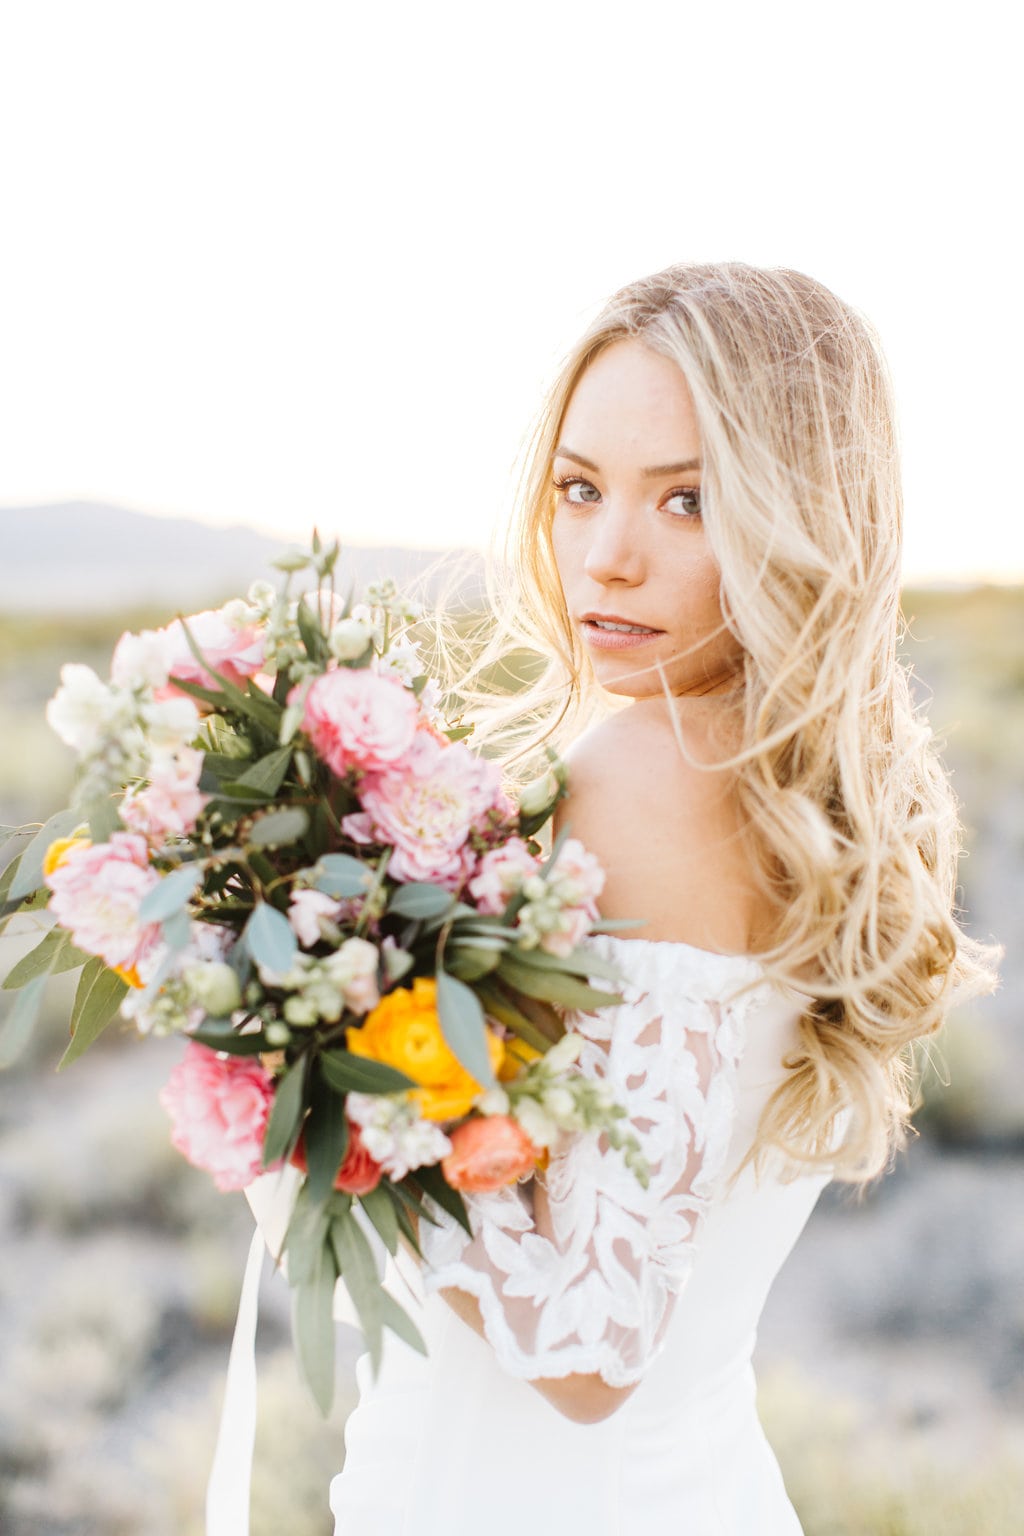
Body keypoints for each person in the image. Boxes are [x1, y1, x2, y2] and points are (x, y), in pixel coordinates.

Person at [299, 263, 997, 1533]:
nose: (608, 556)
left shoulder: (654, 775)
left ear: (806, 517)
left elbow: (586, 1351)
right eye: (580, 489)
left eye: (690, 500)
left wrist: (316, 1074)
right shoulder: (789, 777)